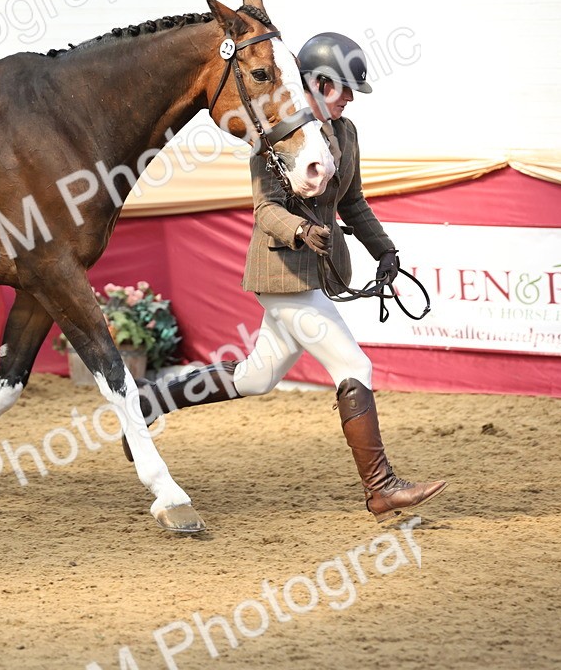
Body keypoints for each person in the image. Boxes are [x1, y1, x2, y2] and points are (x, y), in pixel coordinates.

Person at [131, 32, 447, 523]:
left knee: (257, 377)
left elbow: (353, 203)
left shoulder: (346, 135)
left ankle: (156, 396)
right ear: (317, 83)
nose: (346, 99)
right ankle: (381, 488)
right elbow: (265, 210)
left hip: (316, 274)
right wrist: (299, 229)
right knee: (354, 367)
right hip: (280, 271)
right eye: (341, 89)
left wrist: (386, 251)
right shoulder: (274, 129)